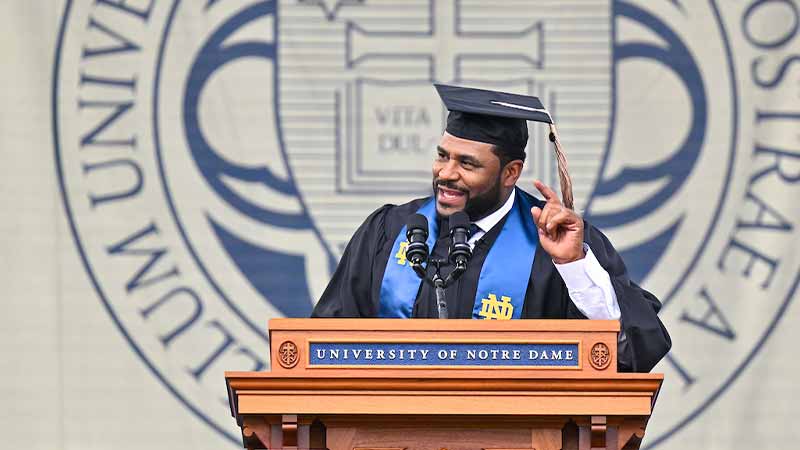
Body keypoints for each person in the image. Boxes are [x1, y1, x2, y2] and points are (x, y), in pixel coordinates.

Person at [312, 84, 671, 373]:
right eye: (443, 156)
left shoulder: (560, 241)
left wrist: (574, 266)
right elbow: (323, 347)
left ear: (511, 172)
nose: (447, 173)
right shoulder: (390, 232)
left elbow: (633, 353)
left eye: (467, 163)